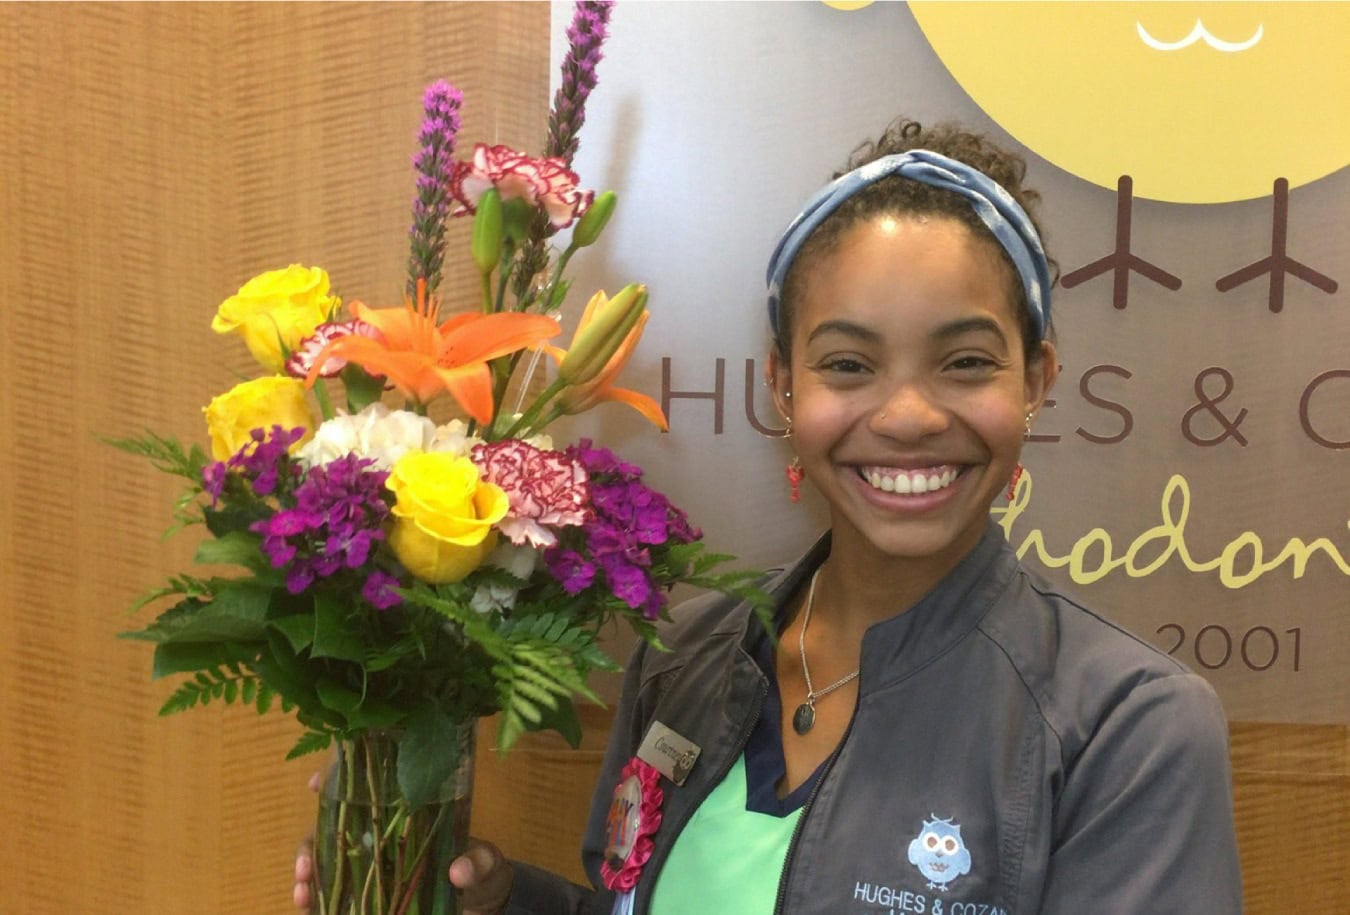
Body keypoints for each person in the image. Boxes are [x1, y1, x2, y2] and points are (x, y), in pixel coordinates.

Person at [295, 118, 1243, 914]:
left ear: (1036, 378)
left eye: (964, 362)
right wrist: (500, 902)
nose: (908, 415)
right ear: (783, 387)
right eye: (847, 363)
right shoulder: (688, 657)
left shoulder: (1128, 729)